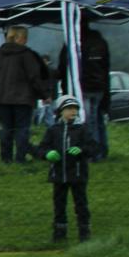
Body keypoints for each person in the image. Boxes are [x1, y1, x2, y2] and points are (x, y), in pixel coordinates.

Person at [35, 94, 99, 241]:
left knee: (81, 203)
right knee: (59, 204)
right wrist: (47, 154)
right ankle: (59, 232)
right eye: (69, 109)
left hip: (78, 175)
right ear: (60, 111)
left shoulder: (82, 129)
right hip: (58, 175)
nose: (73, 112)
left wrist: (82, 150)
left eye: (75, 109)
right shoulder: (53, 130)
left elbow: (94, 147)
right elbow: (41, 148)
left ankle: (84, 231)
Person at [0, 25, 48, 163]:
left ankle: (6, 158)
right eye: (25, 37)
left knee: (6, 129)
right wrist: (44, 94)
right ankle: (20, 157)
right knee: (22, 129)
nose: (26, 40)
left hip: (2, 98)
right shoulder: (26, 55)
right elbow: (34, 77)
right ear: (19, 38)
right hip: (23, 98)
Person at [55, 14, 112, 159]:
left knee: (87, 121)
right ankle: (101, 149)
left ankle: (92, 153)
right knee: (97, 118)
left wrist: (63, 83)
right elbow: (106, 65)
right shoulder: (100, 42)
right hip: (99, 86)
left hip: (82, 86)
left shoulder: (73, 42)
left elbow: (63, 65)